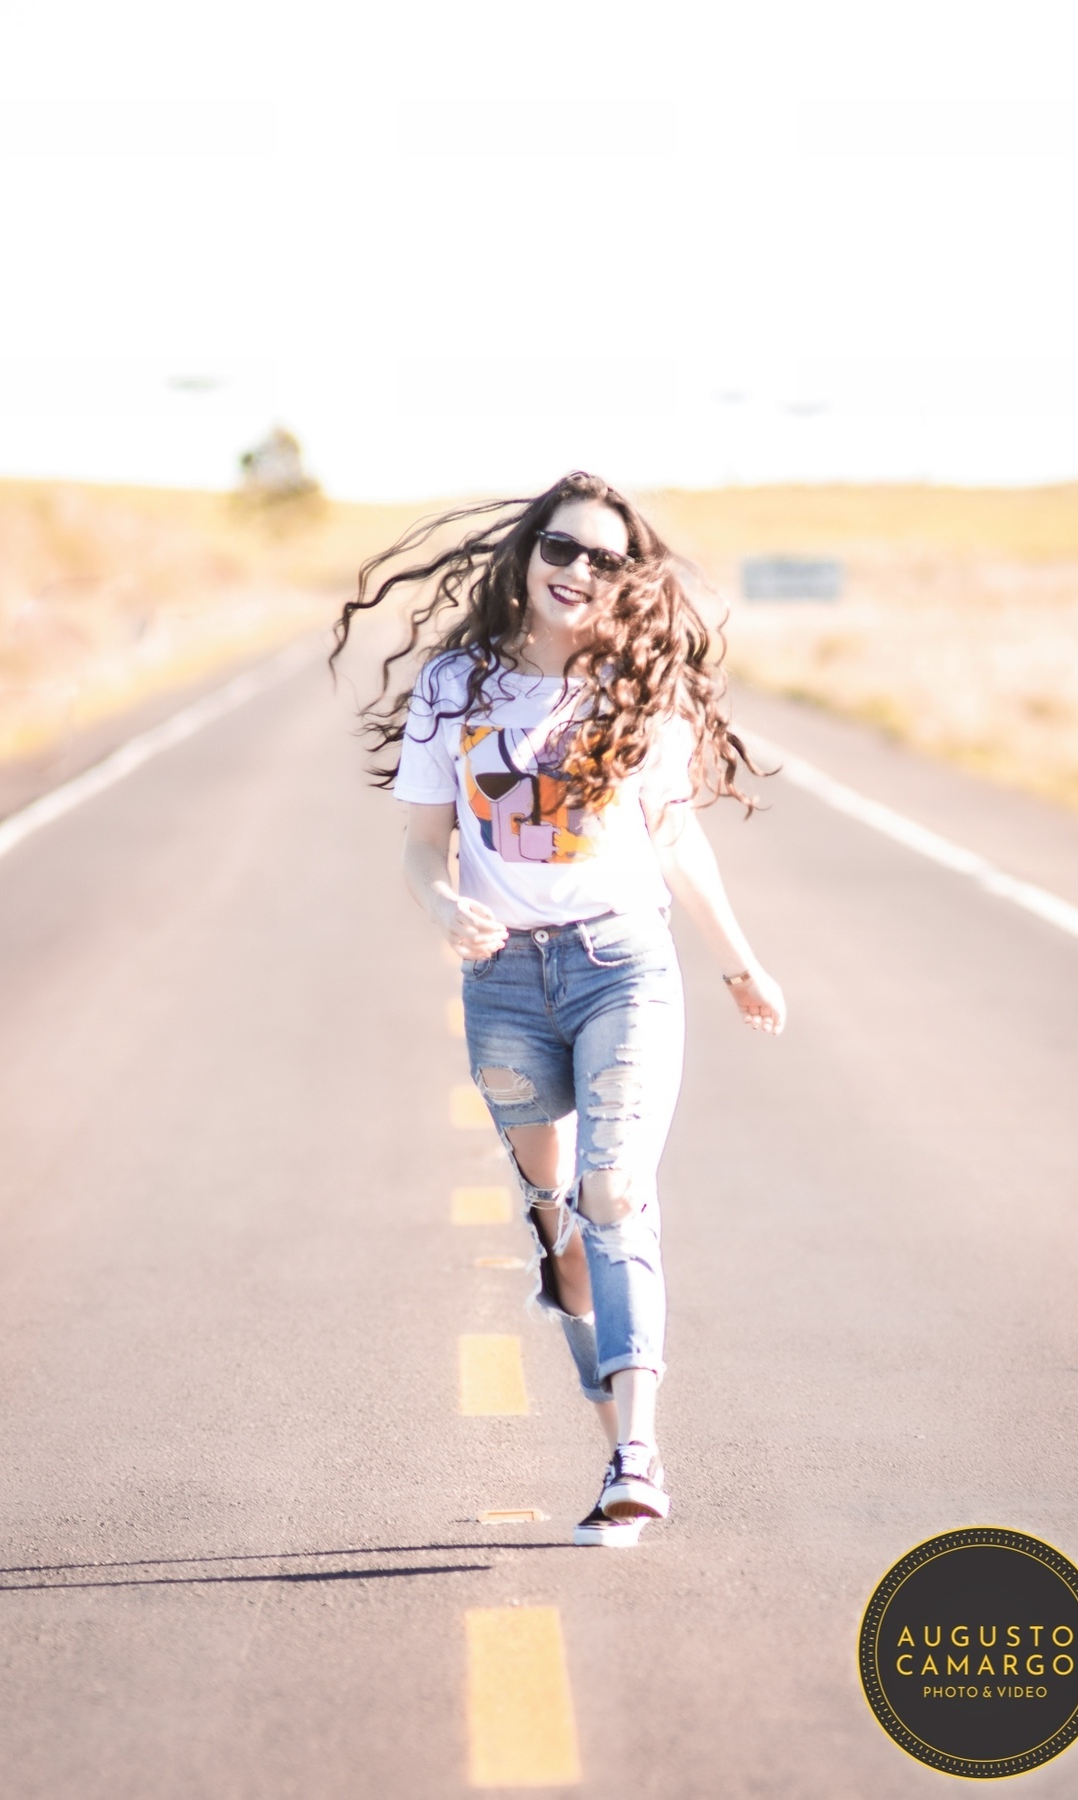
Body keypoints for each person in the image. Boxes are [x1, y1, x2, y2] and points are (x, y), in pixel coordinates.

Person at [330, 470, 786, 1547]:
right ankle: (592, 1361)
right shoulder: (458, 687)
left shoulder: (639, 691)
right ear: (529, 554)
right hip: (503, 987)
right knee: (563, 1226)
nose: (579, 570)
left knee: (614, 1188)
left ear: (629, 582)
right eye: (562, 548)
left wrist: (741, 965)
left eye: (605, 559)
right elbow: (422, 843)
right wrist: (446, 905)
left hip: (621, 965)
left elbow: (676, 839)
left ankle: (637, 1457)